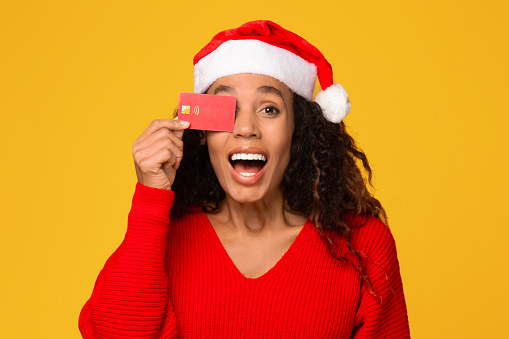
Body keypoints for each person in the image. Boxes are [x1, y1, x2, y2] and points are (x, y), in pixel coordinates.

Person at [79, 20, 410, 338]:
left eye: (269, 109)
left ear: (298, 130)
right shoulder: (166, 239)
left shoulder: (363, 247)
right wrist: (150, 198)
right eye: (228, 109)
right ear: (203, 133)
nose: (247, 128)